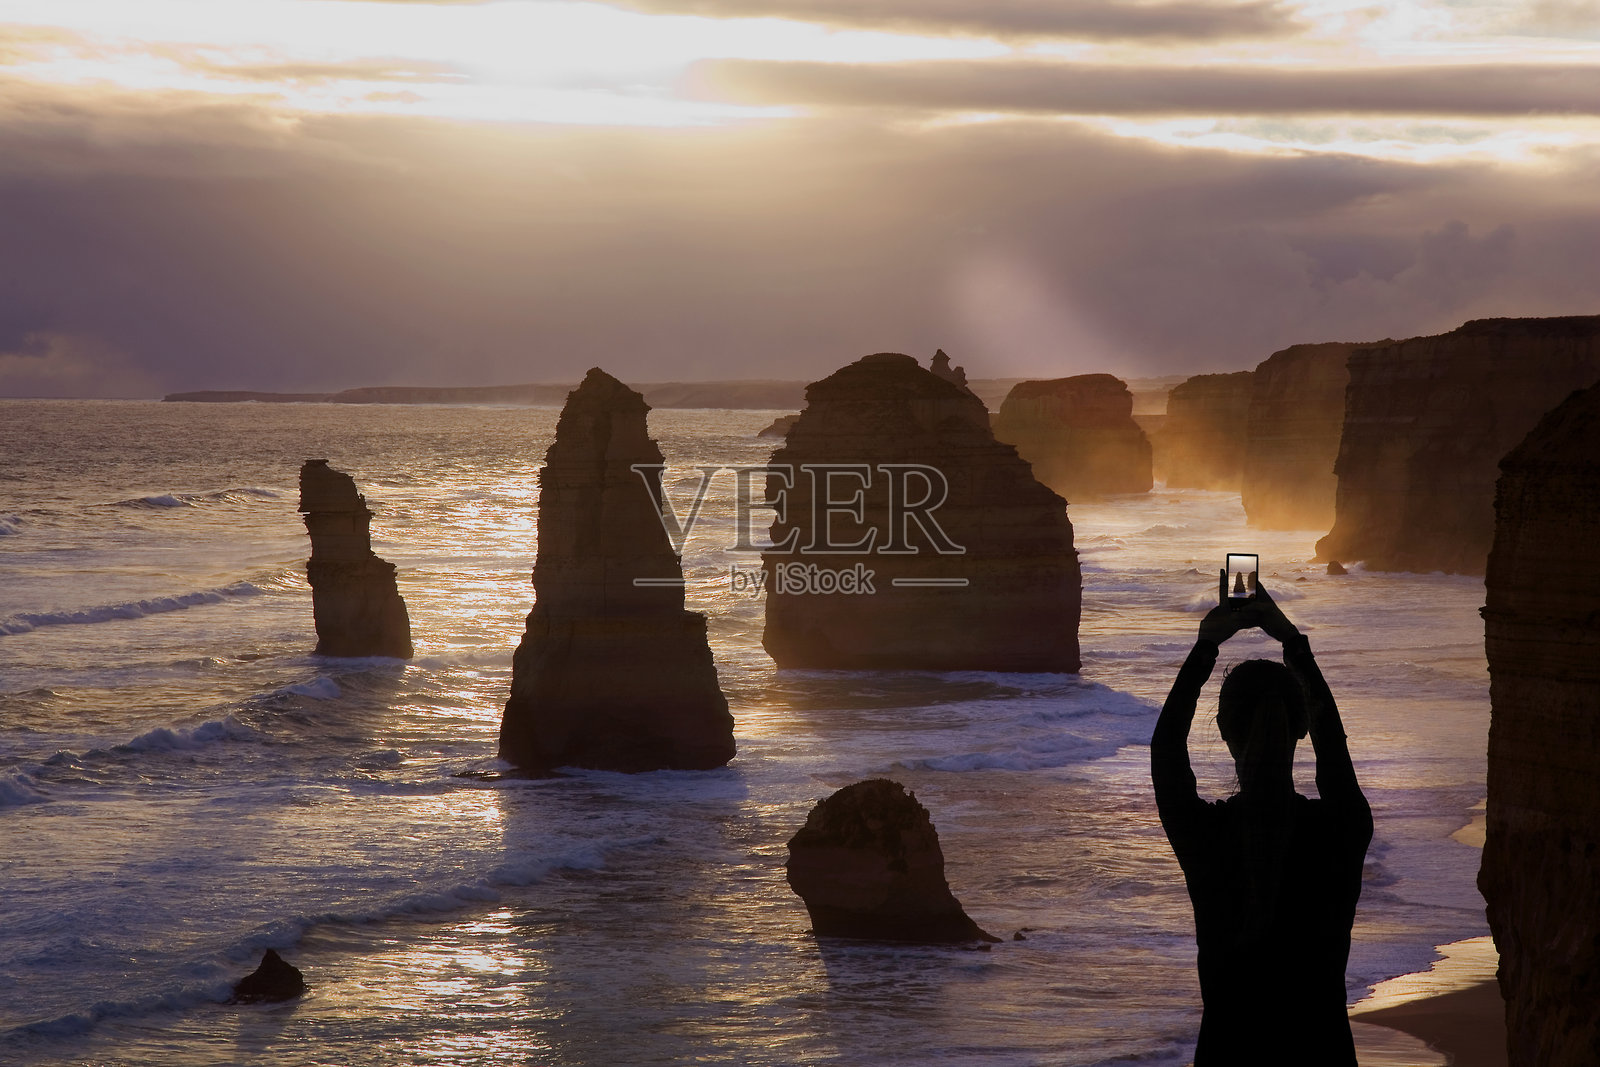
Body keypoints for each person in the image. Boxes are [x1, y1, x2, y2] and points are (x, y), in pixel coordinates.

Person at [1151, 575, 1373, 1065]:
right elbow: (1334, 753)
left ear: (1223, 729)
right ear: (1301, 726)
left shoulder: (1206, 836)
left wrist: (1206, 646)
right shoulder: (1343, 829)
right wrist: (1291, 641)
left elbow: (1165, 749)